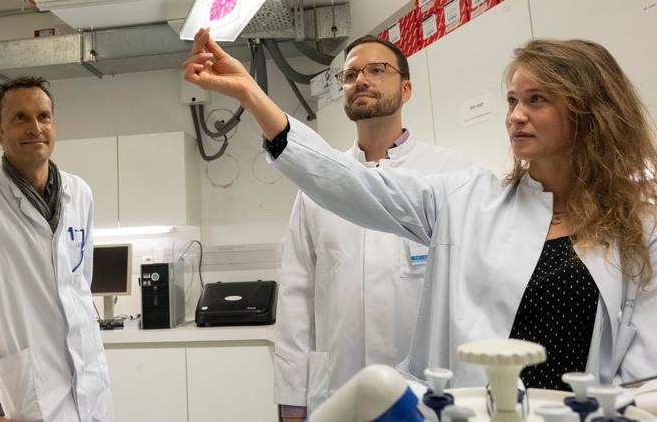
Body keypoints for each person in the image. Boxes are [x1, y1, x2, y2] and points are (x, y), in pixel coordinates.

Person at [183, 30, 657, 388]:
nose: (515, 115)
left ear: (590, 110)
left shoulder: (640, 228)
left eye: (537, 100)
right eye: (512, 100)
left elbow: (644, 370)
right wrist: (251, 94)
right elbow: (349, 183)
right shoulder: (465, 200)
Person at [275, 35, 472, 421]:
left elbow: (470, 295)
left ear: (406, 88)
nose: (361, 80)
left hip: (425, 391)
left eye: (377, 70)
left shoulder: (450, 173)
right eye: (350, 75)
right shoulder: (317, 186)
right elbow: (296, 297)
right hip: (339, 388)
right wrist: (292, 399)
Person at [0, 76, 113, 422]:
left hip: (92, 390)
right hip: (30, 396)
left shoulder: (80, 193)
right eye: (20, 118)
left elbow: (78, 286)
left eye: (43, 116)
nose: (35, 127)